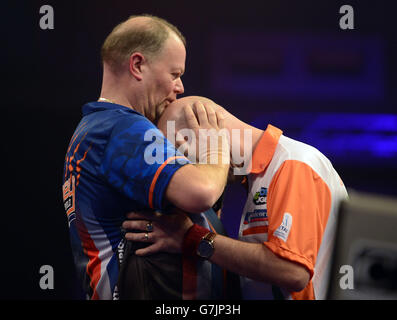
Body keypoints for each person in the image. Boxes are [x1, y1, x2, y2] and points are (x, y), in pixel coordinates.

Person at [62, 15, 235, 300]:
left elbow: (204, 213)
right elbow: (200, 192)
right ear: (138, 65)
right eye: (175, 74)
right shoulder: (119, 127)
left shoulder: (97, 129)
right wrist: (216, 148)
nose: (180, 87)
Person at [123, 95, 349, 300]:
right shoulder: (258, 179)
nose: (187, 176)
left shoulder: (294, 163)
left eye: (179, 159)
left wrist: (191, 238)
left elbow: (292, 271)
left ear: (197, 135)